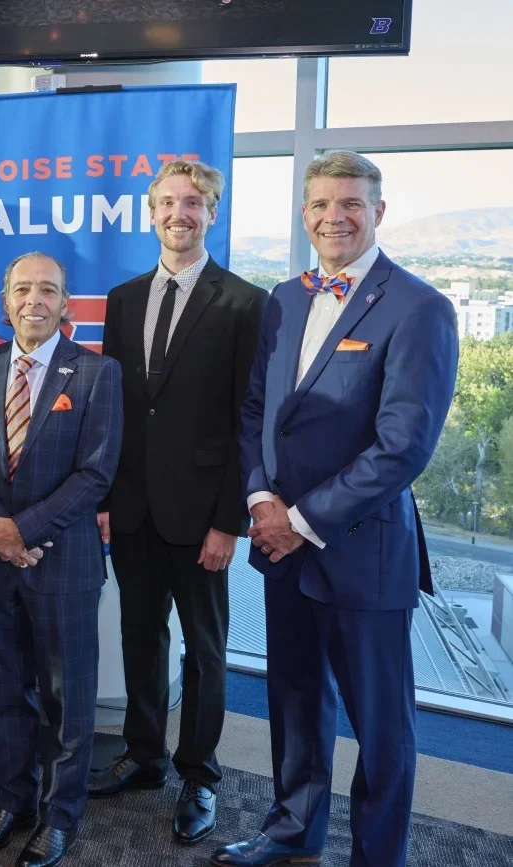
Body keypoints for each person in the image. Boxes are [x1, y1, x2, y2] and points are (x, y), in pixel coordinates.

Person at [213, 151, 459, 867]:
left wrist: (299, 519)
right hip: (281, 543)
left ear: (377, 211)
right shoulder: (285, 298)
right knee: (293, 703)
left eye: (350, 203)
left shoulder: (419, 308)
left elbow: (402, 447)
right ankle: (293, 828)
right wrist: (261, 499)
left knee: (381, 728)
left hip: (364, 555)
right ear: (304, 213)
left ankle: (378, 856)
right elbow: (258, 409)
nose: (334, 217)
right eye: (321, 204)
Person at [88, 160, 266, 844]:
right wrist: (104, 493)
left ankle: (199, 773)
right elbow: (114, 407)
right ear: (150, 210)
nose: (179, 213)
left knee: (206, 649)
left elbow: (246, 418)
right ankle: (143, 753)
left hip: (204, 518)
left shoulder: (245, 302)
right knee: (140, 635)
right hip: (132, 507)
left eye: (193, 203)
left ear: (212, 212)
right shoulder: (123, 297)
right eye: (167, 202)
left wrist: (230, 519)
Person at [0, 252, 122, 867]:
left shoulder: (98, 374)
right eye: (23, 289)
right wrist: (2, 532)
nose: (35, 300)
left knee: (66, 702)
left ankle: (59, 816)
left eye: (48, 290)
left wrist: (22, 529)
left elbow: (96, 474)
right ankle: (15, 799)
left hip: (64, 564)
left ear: (65, 303)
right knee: (4, 689)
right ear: (5, 301)